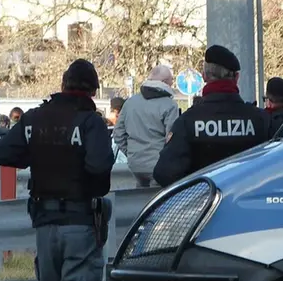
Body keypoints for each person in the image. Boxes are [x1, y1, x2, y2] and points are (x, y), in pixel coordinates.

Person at [0, 59, 114, 281]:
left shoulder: (35, 118)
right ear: (94, 92)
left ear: (62, 83)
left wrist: (36, 153)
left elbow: (2, 153)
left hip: (44, 226)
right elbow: (100, 165)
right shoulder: (90, 123)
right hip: (80, 224)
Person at [153, 45, 271, 187]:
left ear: (204, 76)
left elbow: (164, 173)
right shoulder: (260, 120)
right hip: (246, 201)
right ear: (237, 77)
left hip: (205, 204)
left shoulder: (188, 121)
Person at [113, 65, 179, 188]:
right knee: (156, 201)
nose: (172, 84)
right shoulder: (170, 105)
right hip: (158, 164)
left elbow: (118, 134)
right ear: (164, 82)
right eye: (171, 80)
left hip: (135, 163)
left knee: (139, 198)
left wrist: (131, 152)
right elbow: (172, 139)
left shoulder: (130, 102)